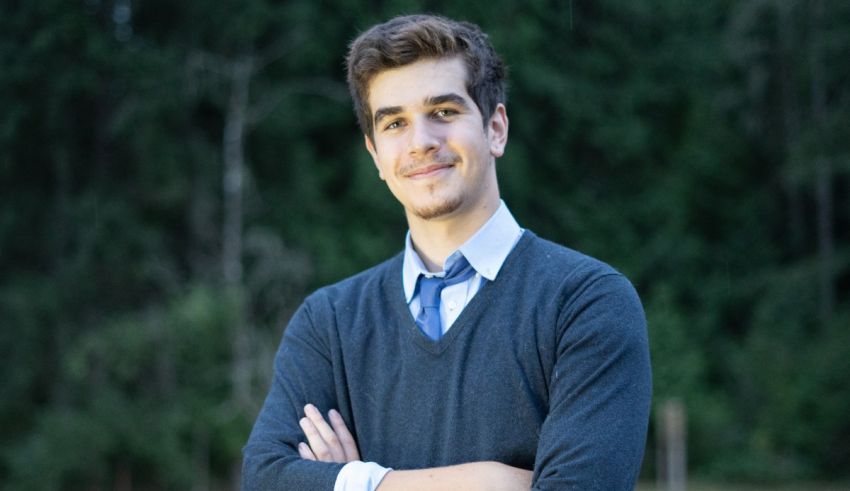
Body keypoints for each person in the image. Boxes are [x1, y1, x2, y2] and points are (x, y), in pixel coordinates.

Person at [242, 14, 651, 491]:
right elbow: (266, 476)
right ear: (375, 155)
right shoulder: (328, 323)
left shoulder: (586, 303)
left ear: (495, 129)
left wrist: (345, 481)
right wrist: (491, 482)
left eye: (443, 112)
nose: (421, 143)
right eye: (395, 123)